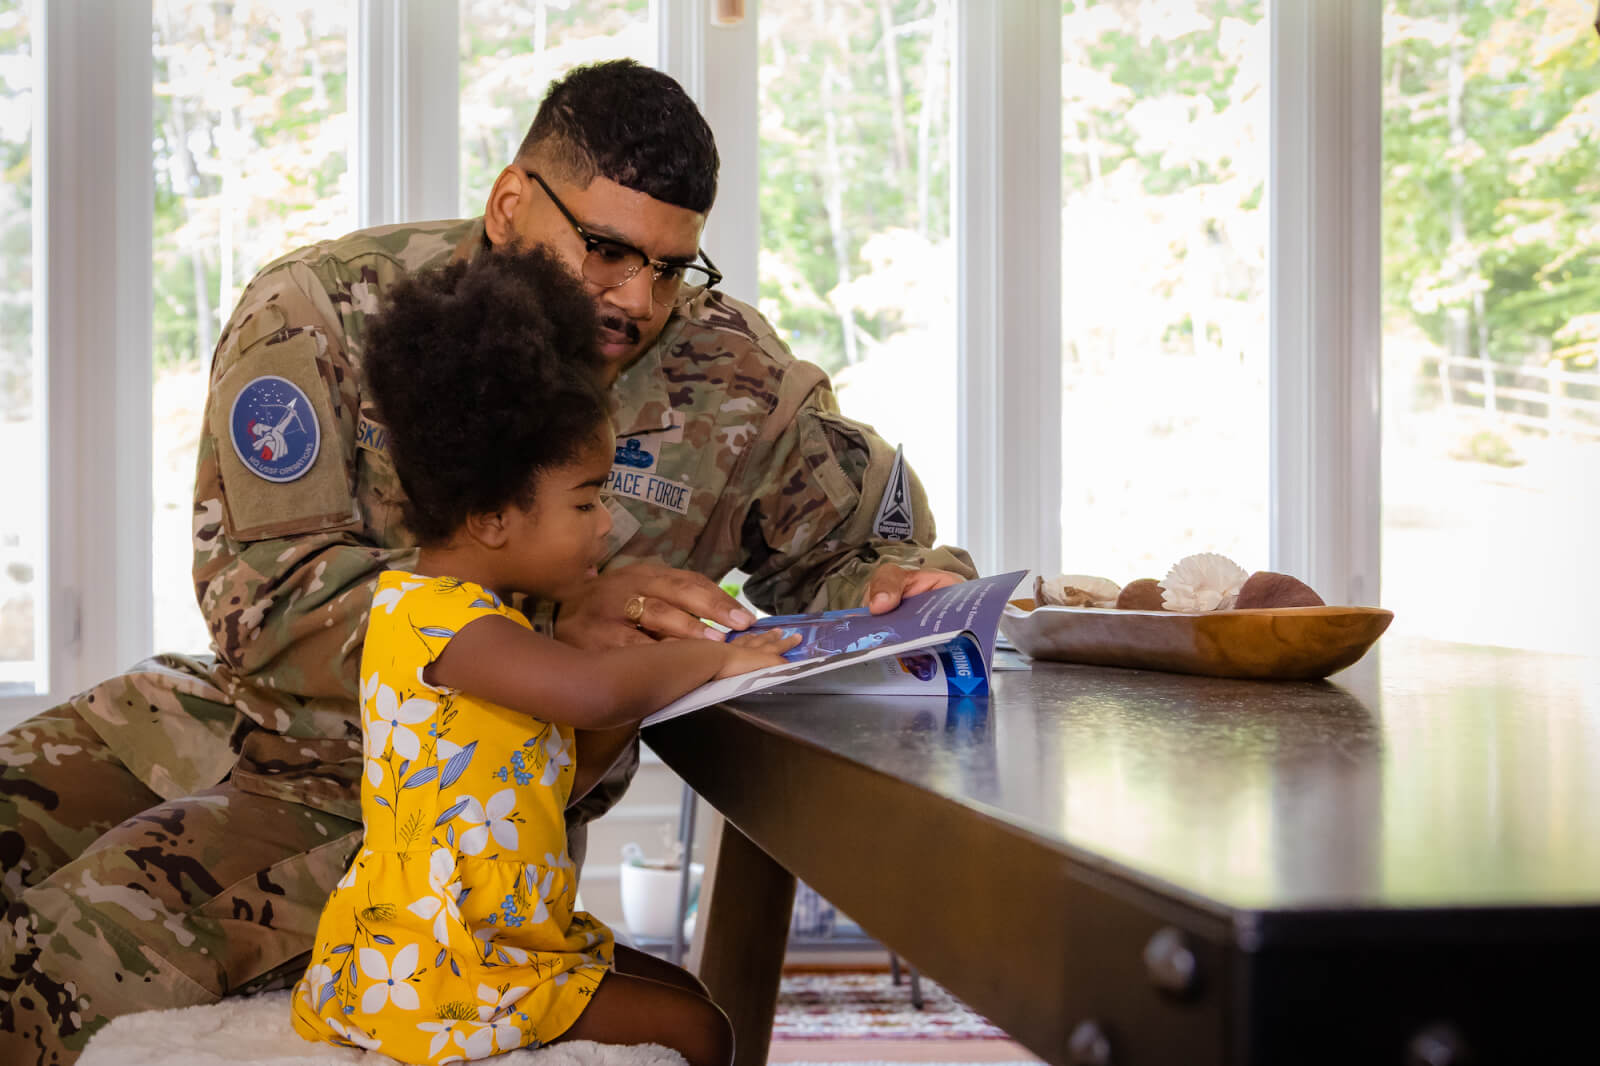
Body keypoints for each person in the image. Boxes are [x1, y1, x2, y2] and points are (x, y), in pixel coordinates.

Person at [0, 58, 974, 1065]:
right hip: (228, 714)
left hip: (412, 809)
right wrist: (560, 635)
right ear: (512, 202)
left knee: (37, 974)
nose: (637, 297)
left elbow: (854, 551)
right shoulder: (325, 309)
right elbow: (270, 606)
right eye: (605, 249)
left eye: (672, 266)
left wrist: (899, 586)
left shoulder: (731, 375)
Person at [292, 247, 792, 1066]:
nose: (606, 525)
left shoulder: (487, 624)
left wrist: (638, 690)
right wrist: (712, 657)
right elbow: (593, 695)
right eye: (588, 500)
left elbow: (548, 777)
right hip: (444, 963)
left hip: (514, 936)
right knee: (705, 1031)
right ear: (492, 515)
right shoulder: (441, 626)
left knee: (690, 996)